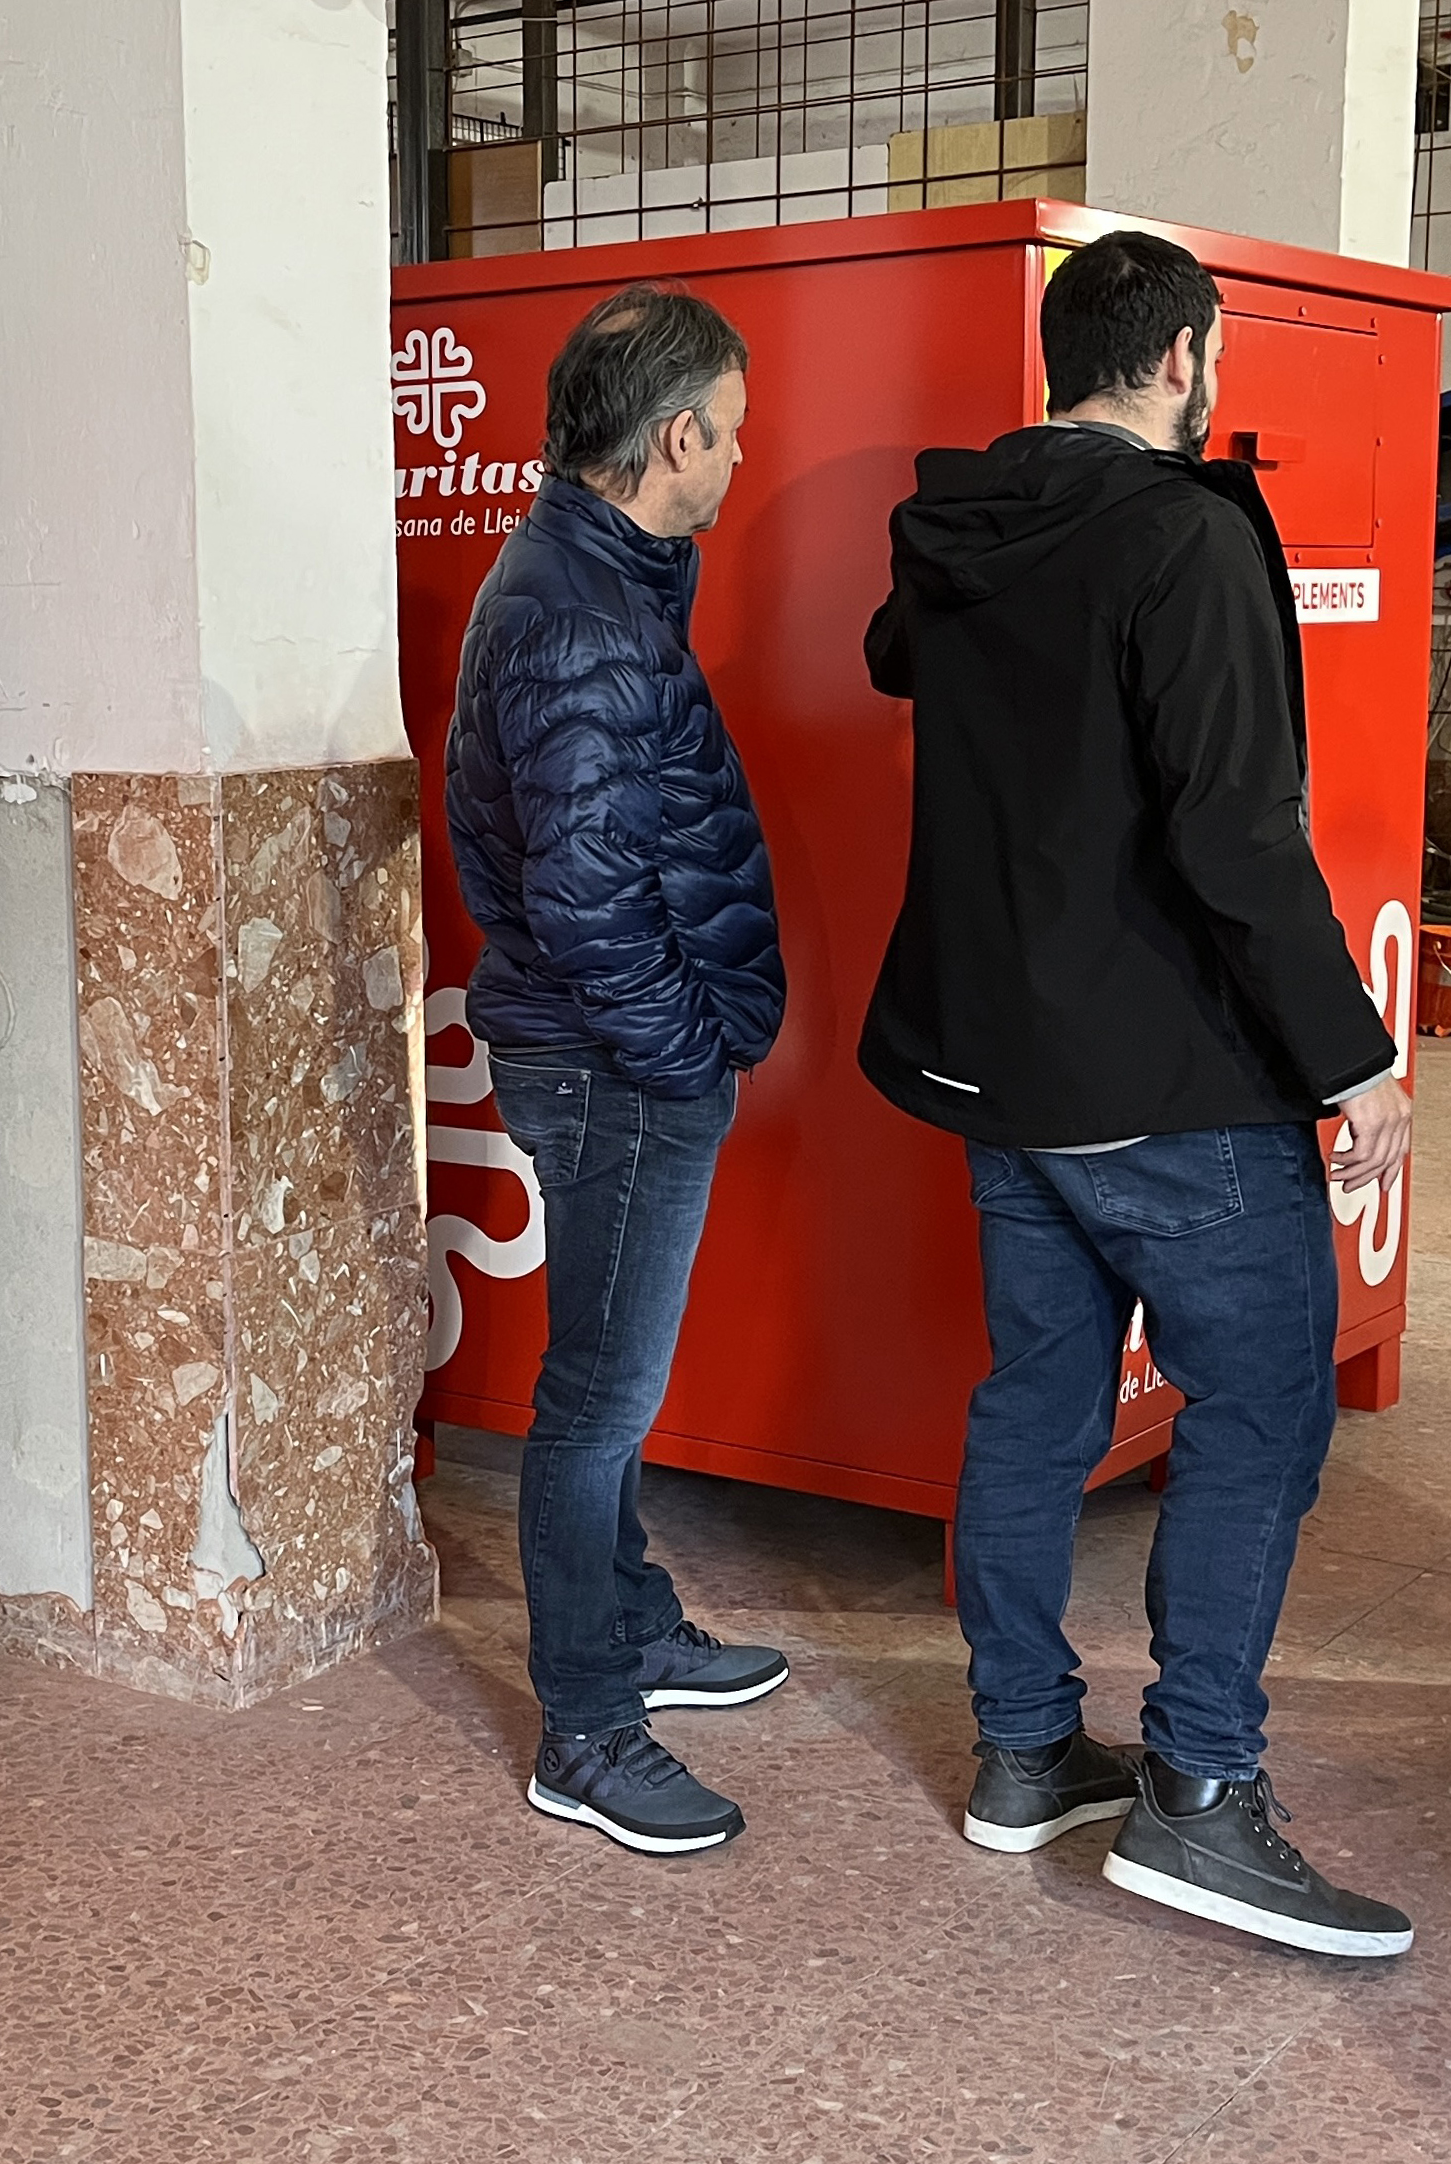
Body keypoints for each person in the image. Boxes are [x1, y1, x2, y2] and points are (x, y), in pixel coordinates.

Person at [860, 230, 1416, 1957]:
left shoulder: (959, 528)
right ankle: (1199, 1796)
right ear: (1182, 357)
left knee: (1038, 1397)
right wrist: (1352, 1058)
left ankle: (1026, 1749)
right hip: (1168, 1078)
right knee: (1262, 1409)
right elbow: (1237, 835)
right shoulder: (1182, 535)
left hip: (1003, 1072)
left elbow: (899, 663)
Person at [443, 283, 793, 1856]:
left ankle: (633, 1620)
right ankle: (585, 1726)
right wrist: (687, 1061)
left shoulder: (600, 577)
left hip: (604, 1054)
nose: (742, 456)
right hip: (610, 1067)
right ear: (676, 435)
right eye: (731, 426)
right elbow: (587, 895)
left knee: (612, 1379)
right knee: (596, 1395)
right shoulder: (579, 613)